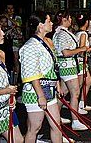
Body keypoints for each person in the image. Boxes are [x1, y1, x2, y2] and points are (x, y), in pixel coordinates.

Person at [19, 11, 63, 143]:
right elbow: (32, 74)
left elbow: (53, 66)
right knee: (34, 128)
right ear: (40, 25)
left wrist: (58, 84)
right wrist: (40, 96)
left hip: (50, 90)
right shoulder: (30, 46)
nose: (51, 23)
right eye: (48, 21)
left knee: (57, 125)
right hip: (35, 92)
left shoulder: (47, 41)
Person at [53, 10, 88, 130]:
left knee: (64, 92)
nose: (71, 20)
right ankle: (75, 121)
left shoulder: (62, 32)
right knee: (75, 93)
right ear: (64, 19)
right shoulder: (62, 34)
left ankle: (56, 115)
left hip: (67, 65)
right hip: (67, 66)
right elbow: (66, 52)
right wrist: (80, 49)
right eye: (69, 18)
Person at [75, 13, 91, 113]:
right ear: (86, 22)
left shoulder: (78, 33)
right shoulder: (83, 34)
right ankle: (78, 106)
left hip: (81, 61)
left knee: (88, 82)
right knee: (80, 85)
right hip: (81, 62)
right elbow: (81, 50)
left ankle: (82, 103)